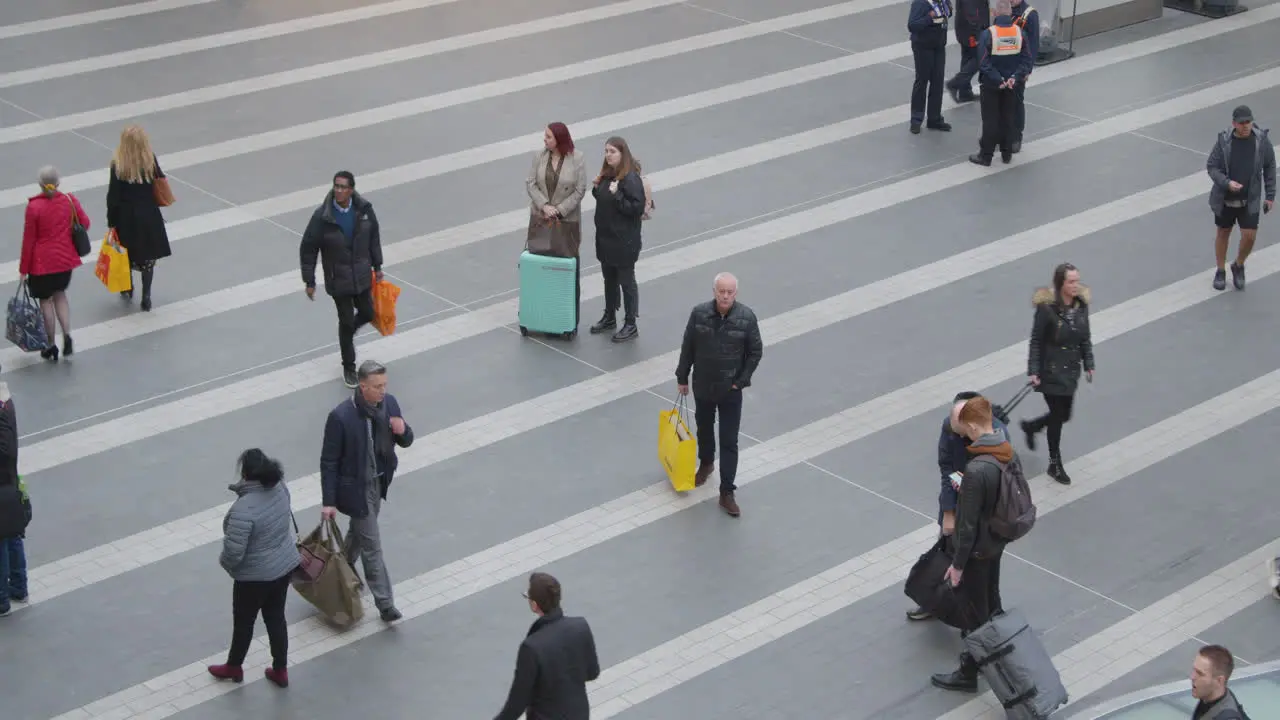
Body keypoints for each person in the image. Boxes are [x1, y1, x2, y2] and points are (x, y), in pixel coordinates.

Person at [319, 360, 412, 622]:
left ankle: (340, 568)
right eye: (377, 386)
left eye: (384, 385)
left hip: (378, 482)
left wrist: (403, 431)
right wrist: (329, 501)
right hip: (355, 490)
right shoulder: (341, 417)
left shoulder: (389, 403)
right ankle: (385, 603)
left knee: (359, 534)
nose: (383, 391)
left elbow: (405, 439)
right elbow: (329, 461)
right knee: (372, 545)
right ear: (362, 387)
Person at [931, 395, 1013, 692]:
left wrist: (957, 565)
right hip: (994, 540)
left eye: (964, 427)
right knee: (990, 600)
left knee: (973, 609)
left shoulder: (978, 469)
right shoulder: (1003, 450)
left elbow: (966, 529)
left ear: (974, 426)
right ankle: (1000, 653)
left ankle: (971, 670)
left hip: (977, 546)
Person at [907, 391, 1007, 622]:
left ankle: (989, 614)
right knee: (945, 554)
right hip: (958, 502)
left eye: (958, 425)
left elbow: (998, 489)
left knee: (984, 568)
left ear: (971, 425)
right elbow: (946, 466)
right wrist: (949, 512)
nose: (953, 429)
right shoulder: (951, 427)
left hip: (984, 518)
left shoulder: (999, 440)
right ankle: (934, 600)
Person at [207, 449, 301, 688]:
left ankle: (234, 666)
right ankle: (280, 669)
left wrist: (227, 565)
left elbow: (233, 552)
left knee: (244, 622)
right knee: (275, 618)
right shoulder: (281, 488)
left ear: (246, 473)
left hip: (254, 577)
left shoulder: (244, 509)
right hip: (283, 567)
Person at [675, 273, 764, 518]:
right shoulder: (699, 314)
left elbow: (755, 352)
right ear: (714, 291)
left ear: (736, 294)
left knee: (729, 440)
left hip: (730, 392)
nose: (725, 296)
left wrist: (741, 382)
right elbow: (688, 346)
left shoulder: (746, 318)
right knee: (703, 429)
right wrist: (682, 377)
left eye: (730, 292)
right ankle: (706, 463)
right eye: (721, 291)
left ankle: (727, 491)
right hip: (703, 386)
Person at [300, 171, 385, 388]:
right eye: (336, 186)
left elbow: (374, 238)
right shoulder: (323, 217)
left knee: (368, 313)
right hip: (339, 281)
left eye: (343, 187)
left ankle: (348, 331)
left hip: (362, 276)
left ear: (351, 189)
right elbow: (308, 248)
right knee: (346, 320)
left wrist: (378, 266)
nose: (338, 190)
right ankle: (349, 366)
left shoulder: (364, 211)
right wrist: (309, 281)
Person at [1019, 263, 1093, 485]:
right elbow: (1036, 341)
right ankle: (1055, 463)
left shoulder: (1081, 305)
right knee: (1058, 417)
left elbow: (1085, 337)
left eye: (1077, 280)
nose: (1076, 285)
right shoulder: (1047, 310)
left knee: (1063, 415)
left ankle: (1032, 426)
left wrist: (1089, 362)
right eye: (1071, 281)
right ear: (1060, 283)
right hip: (1050, 372)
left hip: (1070, 371)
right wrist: (1033, 370)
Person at [494, 572, 600, 720]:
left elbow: (517, 704)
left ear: (534, 605)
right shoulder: (580, 626)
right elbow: (592, 672)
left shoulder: (531, 647)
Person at [20, 165, 89, 360]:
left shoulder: (34, 208)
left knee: (45, 302)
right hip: (64, 261)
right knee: (60, 296)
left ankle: (50, 345)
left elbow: (28, 240)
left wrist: (23, 269)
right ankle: (67, 335)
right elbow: (85, 223)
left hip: (41, 264)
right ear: (58, 182)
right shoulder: (69, 200)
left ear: (40, 185)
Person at [1206, 105, 1276, 291]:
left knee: (1250, 236)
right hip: (1226, 198)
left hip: (1249, 200)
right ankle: (1220, 271)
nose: (1246, 126)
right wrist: (1226, 183)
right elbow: (1212, 166)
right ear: (1234, 123)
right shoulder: (1224, 142)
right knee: (1223, 233)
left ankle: (1238, 264)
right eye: (1242, 122)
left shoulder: (1262, 142)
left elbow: (1270, 166)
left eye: (1248, 121)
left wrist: (1270, 196)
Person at [525, 122, 588, 321]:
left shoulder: (577, 158)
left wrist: (559, 211)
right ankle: (543, 311)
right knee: (541, 264)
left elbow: (580, 190)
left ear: (559, 139)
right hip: (541, 219)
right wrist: (544, 206)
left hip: (566, 222)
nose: (545, 140)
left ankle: (567, 316)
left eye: (548, 137)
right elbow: (531, 183)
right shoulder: (539, 156)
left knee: (566, 266)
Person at [106, 125, 173, 311]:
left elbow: (113, 197)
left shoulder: (118, 165)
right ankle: (147, 296)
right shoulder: (150, 160)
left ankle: (128, 288)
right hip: (149, 215)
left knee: (126, 254)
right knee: (148, 258)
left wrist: (111, 221)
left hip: (126, 218)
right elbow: (160, 181)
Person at [588, 136, 647, 342]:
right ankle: (610, 316)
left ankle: (631, 323)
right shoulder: (608, 175)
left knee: (626, 281)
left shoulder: (630, 178)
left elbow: (636, 208)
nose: (608, 155)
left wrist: (618, 195)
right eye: (606, 151)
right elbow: (605, 201)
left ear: (623, 153)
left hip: (624, 242)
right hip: (606, 239)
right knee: (609, 279)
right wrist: (597, 189)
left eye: (612, 151)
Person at [968, 0, 1033, 167]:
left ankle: (986, 156)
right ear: (1011, 14)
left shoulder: (989, 34)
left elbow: (983, 62)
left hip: (992, 85)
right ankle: (1006, 154)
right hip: (1012, 85)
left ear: (995, 13)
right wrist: (1014, 77)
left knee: (990, 120)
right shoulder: (1019, 33)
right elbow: (1027, 60)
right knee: (1008, 118)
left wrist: (999, 79)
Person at [0, 383, 29, 618]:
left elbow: (4, 448)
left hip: (2, 479)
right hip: (9, 479)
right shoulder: (5, 400)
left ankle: (1, 600)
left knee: (3, 537)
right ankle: (19, 587)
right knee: (12, 533)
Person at [907, 0, 954, 134]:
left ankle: (934, 118)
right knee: (922, 81)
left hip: (939, 45)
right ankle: (916, 119)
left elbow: (946, 14)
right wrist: (929, 17)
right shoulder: (920, 3)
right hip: (923, 46)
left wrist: (948, 10)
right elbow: (912, 25)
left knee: (937, 81)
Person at [1009, 0, 1040, 153]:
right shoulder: (1005, 11)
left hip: (1019, 66)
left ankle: (1016, 137)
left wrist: (1028, 70)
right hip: (1003, 65)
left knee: (1016, 101)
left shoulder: (1029, 15)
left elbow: (1033, 45)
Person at [946, 0, 989, 103]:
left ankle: (964, 92)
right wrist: (977, 33)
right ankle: (955, 83)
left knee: (968, 58)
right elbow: (971, 12)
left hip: (966, 29)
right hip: (972, 32)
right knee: (980, 58)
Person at [1190, 644, 1249, 719]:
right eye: (1194, 670)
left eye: (1200, 674)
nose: (1192, 677)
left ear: (1219, 680)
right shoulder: (1208, 697)